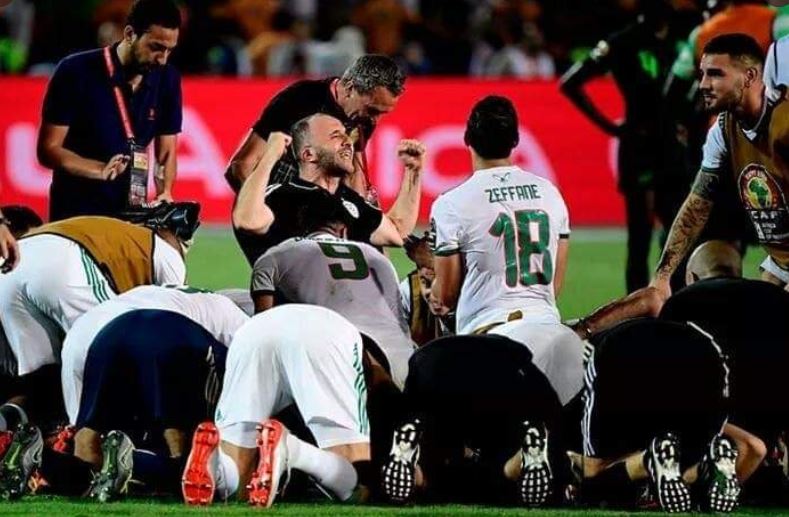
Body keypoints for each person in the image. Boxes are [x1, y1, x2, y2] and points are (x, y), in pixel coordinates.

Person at [0, 203, 198, 428]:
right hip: (63, 261)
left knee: (42, 380)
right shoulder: (167, 253)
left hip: (12, 264)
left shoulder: (118, 234)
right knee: (109, 353)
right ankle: (93, 435)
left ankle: (11, 425)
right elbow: (173, 325)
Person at [181, 305, 375, 507]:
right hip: (324, 335)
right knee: (358, 484)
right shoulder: (361, 346)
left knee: (237, 476)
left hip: (253, 332)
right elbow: (380, 386)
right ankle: (293, 450)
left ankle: (217, 468)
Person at [650, 34, 789, 298]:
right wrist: (662, 277)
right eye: (702, 74)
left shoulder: (784, 120)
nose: (703, 84)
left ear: (749, 76)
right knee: (716, 269)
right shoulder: (724, 129)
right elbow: (697, 205)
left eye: (715, 74)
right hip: (781, 263)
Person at [560, 0, 685, 293]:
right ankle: (639, 305)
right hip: (642, 145)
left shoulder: (679, 37)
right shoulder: (623, 42)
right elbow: (571, 83)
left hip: (670, 145)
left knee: (677, 230)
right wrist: (610, 127)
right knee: (642, 235)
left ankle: (675, 297)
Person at [380, 333, 578, 507]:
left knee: (432, 444)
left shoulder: (440, 348)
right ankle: (515, 465)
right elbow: (551, 414)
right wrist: (561, 469)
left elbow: (409, 406)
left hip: (430, 363)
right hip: (501, 371)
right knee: (500, 466)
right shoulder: (510, 350)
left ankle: (418, 473)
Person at [659, 241, 789, 490]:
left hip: (709, 435)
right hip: (768, 436)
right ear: (738, 273)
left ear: (691, 276)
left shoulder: (680, 303)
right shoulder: (778, 299)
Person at [250, 190, 414, 389]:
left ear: (303, 226)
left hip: (342, 361)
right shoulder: (377, 257)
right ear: (343, 230)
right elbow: (401, 321)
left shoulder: (277, 255)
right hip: (404, 361)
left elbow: (262, 328)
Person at [37, 0, 182, 221]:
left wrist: (165, 192)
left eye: (169, 50)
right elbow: (48, 149)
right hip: (76, 213)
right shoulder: (75, 71)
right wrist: (99, 169)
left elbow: (166, 153)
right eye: (156, 48)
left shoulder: (168, 79)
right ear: (130, 34)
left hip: (132, 213)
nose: (162, 59)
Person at [576, 318, 737, 513]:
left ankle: (648, 462)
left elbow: (591, 465)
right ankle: (704, 469)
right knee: (682, 453)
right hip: (704, 355)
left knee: (592, 478)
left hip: (624, 351)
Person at [232, 115, 424, 265]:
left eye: (346, 134)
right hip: (297, 304)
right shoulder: (282, 196)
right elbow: (247, 221)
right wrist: (271, 155)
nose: (348, 141)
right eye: (336, 136)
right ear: (309, 154)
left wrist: (413, 171)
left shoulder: (348, 201)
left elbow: (396, 232)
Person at [224, 54, 405, 198]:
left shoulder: (364, 118)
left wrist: (360, 222)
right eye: (372, 110)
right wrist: (267, 216)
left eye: (382, 113)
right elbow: (241, 166)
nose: (375, 120)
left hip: (317, 214)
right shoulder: (300, 99)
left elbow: (353, 176)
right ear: (350, 88)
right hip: (277, 203)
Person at [399, 232, 453, 345]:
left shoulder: (474, 296)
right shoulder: (408, 291)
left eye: (439, 282)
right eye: (426, 283)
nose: (430, 293)